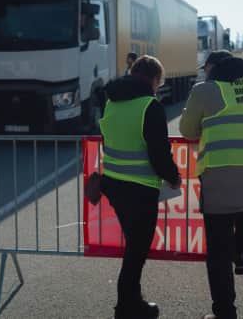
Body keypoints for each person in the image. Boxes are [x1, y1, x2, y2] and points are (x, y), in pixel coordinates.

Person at [179, 51, 243, 319]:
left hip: (221, 174)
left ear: (213, 69)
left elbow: (188, 131)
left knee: (217, 250)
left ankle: (225, 312)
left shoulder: (206, 89)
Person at [100, 55, 182, 319]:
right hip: (140, 189)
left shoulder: (111, 102)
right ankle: (126, 307)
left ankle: (132, 302)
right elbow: (159, 152)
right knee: (137, 251)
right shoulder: (150, 106)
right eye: (159, 81)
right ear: (154, 79)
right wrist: (174, 177)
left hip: (113, 183)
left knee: (134, 248)